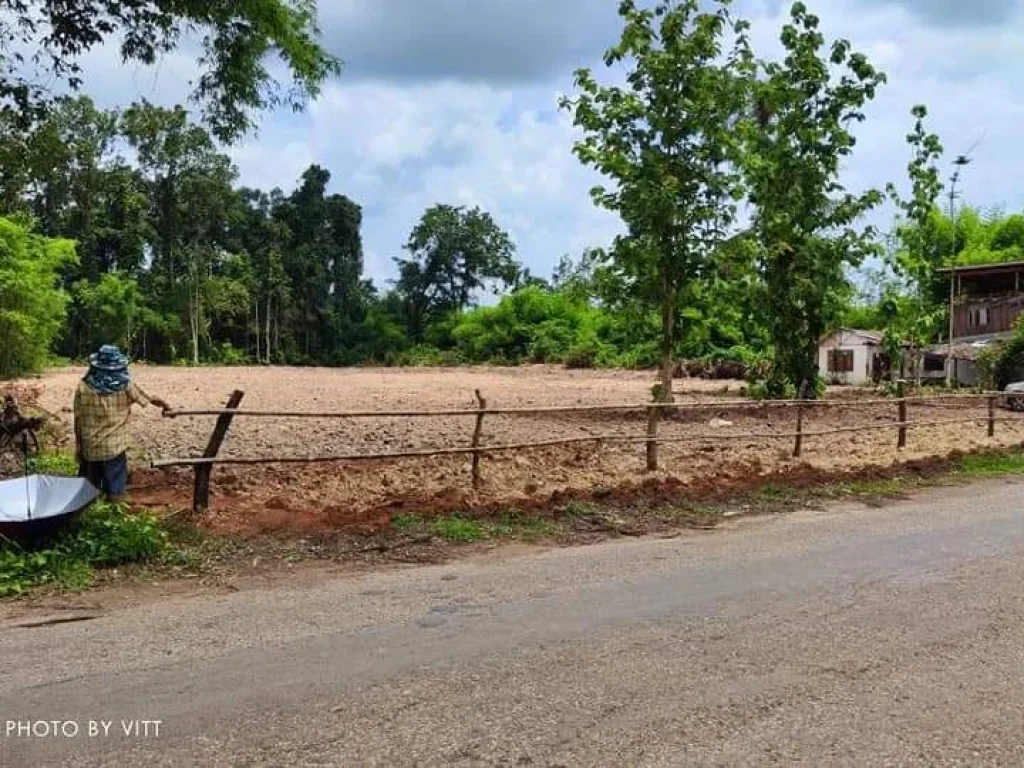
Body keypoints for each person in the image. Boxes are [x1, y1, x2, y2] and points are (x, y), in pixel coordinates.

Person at [73, 345, 170, 502]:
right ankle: (114, 516)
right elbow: (148, 399)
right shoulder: (125, 385)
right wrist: (165, 406)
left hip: (90, 446)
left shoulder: (83, 386)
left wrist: (79, 445)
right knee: (116, 487)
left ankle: (88, 519)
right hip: (114, 447)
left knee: (88, 489)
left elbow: (78, 418)